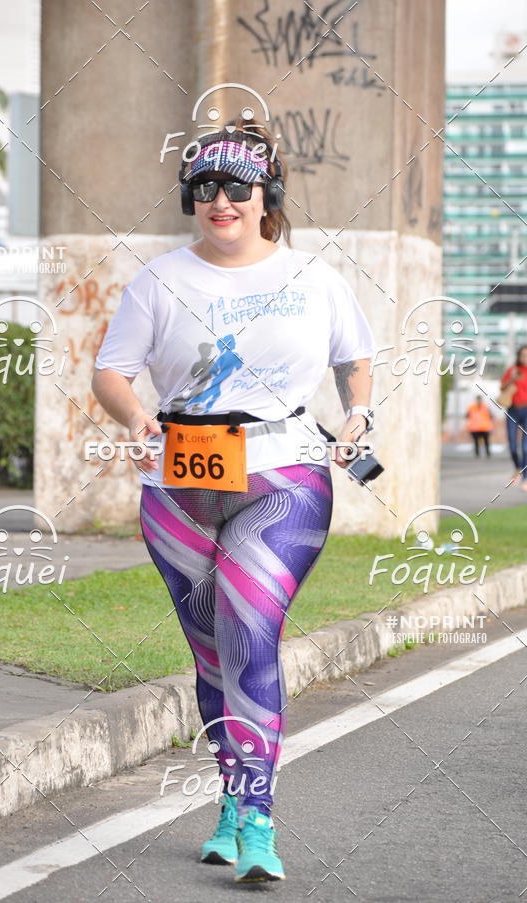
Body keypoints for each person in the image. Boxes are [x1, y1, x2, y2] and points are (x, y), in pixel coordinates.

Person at [92, 117, 376, 883]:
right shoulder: (158, 280)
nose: (221, 201)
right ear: (191, 197)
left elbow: (355, 359)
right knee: (212, 651)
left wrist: (359, 413)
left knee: (249, 631)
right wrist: (134, 414)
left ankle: (256, 815)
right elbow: (111, 371)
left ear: (267, 195)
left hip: (283, 476)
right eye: (205, 187)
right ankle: (230, 792)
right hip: (178, 487)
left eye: (238, 187)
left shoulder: (314, 279)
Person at [500, 344, 527, 489]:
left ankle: (525, 478)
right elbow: (502, 388)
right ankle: (517, 468)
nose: (525, 358)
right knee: (512, 445)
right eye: (522, 355)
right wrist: (512, 378)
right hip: (513, 411)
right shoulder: (513, 370)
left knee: (526, 447)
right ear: (519, 356)